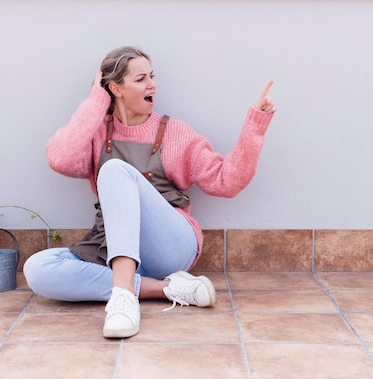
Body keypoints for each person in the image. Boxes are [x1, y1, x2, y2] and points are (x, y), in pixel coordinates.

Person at [23, 46, 276, 339]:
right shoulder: (97, 133)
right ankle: (169, 288)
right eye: (141, 78)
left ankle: (123, 300)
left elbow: (226, 181)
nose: (152, 85)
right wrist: (96, 99)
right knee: (38, 269)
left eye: (151, 76)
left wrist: (255, 124)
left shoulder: (175, 133)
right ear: (115, 88)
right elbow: (60, 158)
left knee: (115, 170)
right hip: (109, 244)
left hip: (168, 246)